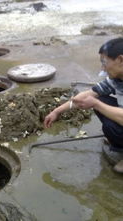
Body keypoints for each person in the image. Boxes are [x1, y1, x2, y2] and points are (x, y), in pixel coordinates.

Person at [44, 38, 123, 173]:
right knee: (101, 99)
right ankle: (119, 143)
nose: (103, 67)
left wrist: (96, 104)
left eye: (105, 62)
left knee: (108, 121)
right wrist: (57, 111)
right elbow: (90, 94)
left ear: (120, 60)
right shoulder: (116, 79)